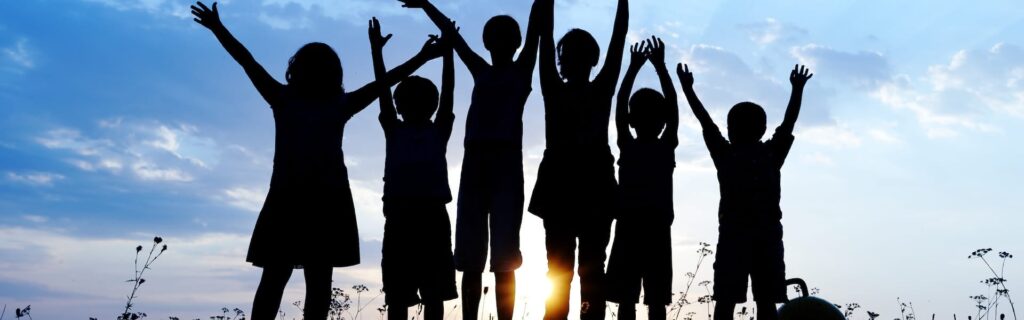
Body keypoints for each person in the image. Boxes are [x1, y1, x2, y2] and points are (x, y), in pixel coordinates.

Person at [191, 3, 443, 319]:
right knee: (311, 279)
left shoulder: (289, 100)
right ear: (333, 73)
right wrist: (423, 56)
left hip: (297, 198)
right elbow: (386, 82)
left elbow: (248, 61)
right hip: (320, 199)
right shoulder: (331, 103)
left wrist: (218, 28)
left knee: (280, 277)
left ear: (296, 70)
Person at [398, 1, 546, 319]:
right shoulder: (483, 70)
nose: (501, 43)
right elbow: (451, 33)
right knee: (471, 254)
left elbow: (535, 29)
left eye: (506, 37)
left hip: (503, 164)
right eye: (496, 37)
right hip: (478, 163)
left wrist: (540, 4)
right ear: (488, 42)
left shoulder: (520, 71)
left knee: (503, 254)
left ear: (514, 42)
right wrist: (425, 4)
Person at [677, 63, 813, 320]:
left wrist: (688, 90)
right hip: (752, 237)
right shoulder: (764, 155)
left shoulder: (735, 154)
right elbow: (788, 123)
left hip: (748, 237)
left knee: (742, 301)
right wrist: (796, 90)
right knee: (755, 301)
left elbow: (706, 121)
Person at [531, 0, 629, 319]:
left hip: (585, 188)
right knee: (576, 269)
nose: (568, 61)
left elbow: (617, 38)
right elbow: (547, 39)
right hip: (574, 188)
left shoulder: (587, 89)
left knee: (576, 269)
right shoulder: (568, 89)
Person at [369, 18, 457, 320]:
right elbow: (383, 90)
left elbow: (447, 94)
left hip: (420, 216)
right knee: (402, 295)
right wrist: (376, 53)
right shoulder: (396, 129)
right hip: (406, 216)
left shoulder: (427, 129)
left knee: (426, 295)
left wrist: (448, 52)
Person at [605, 37, 678, 320]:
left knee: (634, 300)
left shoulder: (637, 144)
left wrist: (635, 68)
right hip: (646, 227)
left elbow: (621, 106)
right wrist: (659, 67)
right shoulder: (660, 146)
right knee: (648, 301)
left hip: (637, 227)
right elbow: (670, 109)